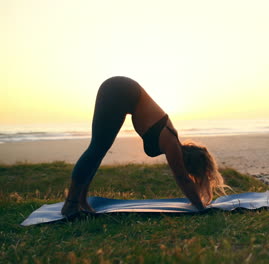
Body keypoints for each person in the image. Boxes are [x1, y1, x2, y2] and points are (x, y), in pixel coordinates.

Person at [61, 76, 227, 218]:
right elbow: (182, 178)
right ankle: (71, 204)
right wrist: (201, 209)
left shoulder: (172, 142)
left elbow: (183, 177)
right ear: (192, 165)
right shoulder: (172, 145)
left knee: (98, 149)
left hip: (120, 90)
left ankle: (80, 201)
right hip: (120, 90)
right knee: (97, 148)